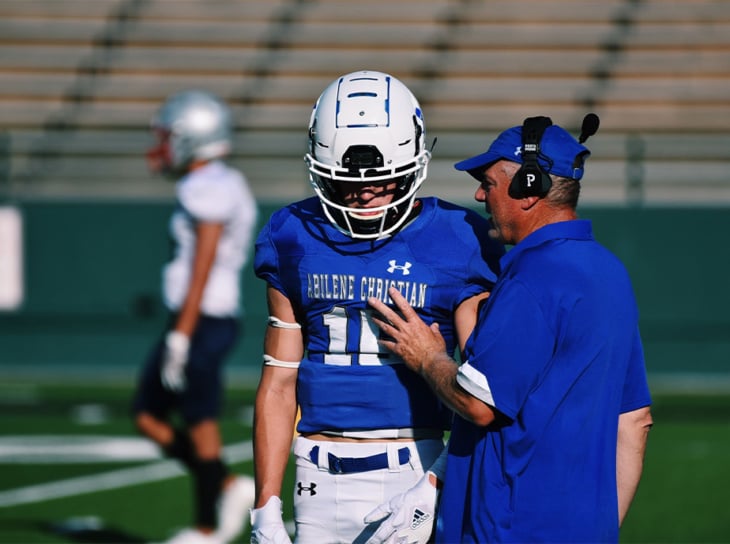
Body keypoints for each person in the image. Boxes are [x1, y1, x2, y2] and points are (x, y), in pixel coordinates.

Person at [367, 114, 654, 543]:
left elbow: (479, 404)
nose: (480, 194)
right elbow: (634, 421)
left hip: (510, 530)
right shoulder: (610, 272)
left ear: (528, 188)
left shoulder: (535, 277)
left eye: (489, 182)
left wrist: (427, 356)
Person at [249, 70, 505, 544]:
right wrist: (265, 506)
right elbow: (279, 381)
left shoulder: (459, 239)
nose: (363, 192)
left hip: (415, 466)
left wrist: (437, 479)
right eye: (343, 181)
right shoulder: (292, 232)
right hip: (317, 473)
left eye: (382, 180)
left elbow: (484, 392)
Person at [131, 89, 258, 544]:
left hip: (203, 318)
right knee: (147, 415)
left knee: (199, 419)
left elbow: (202, 266)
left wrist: (182, 337)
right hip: (191, 318)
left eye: (169, 136)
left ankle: (206, 528)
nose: (162, 145)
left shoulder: (211, 186)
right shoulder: (206, 182)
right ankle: (226, 485)